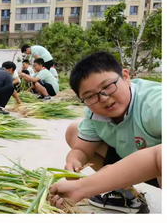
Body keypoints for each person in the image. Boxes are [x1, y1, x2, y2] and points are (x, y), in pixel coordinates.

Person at [63, 52, 161, 214]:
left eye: (107, 86)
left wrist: (83, 187)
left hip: (159, 168)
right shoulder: (94, 113)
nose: (103, 98)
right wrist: (73, 162)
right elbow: (81, 149)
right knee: (74, 131)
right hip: (130, 162)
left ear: (125, 77)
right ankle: (124, 194)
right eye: (90, 96)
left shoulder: (156, 103)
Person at [50, 145, 162, 210]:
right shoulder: (94, 118)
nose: (103, 102)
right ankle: (125, 196)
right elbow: (156, 157)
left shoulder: (153, 109)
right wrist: (80, 187)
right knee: (74, 131)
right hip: (143, 163)